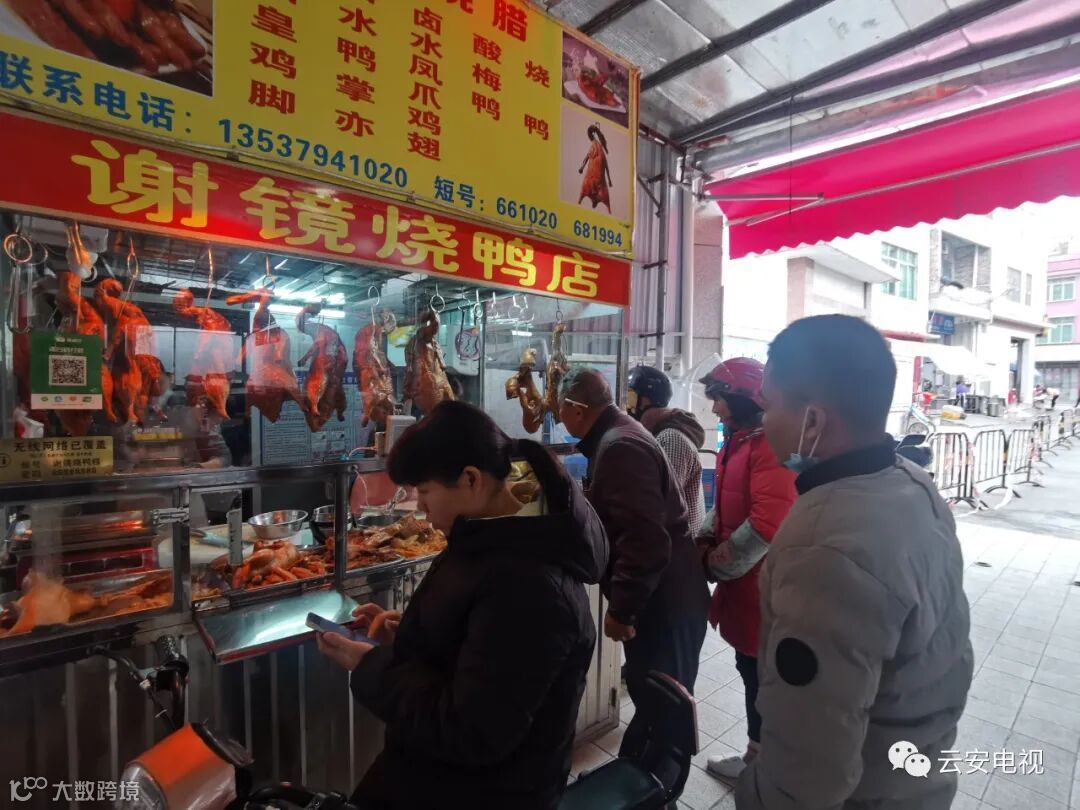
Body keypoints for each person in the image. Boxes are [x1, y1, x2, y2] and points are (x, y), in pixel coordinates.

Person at [316, 401, 608, 810]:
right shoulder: (489, 534)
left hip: (482, 793)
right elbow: (479, 640)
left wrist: (370, 666)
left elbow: (473, 731)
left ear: (471, 479)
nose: (420, 508)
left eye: (425, 492)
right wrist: (413, 632)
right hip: (431, 775)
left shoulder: (532, 587)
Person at [735, 315, 972, 810]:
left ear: (813, 422)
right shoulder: (910, 482)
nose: (763, 421)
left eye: (768, 405)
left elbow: (807, 767)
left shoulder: (825, 546)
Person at [558, 368, 709, 759]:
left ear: (577, 409)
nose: (558, 417)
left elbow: (646, 540)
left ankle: (658, 782)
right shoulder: (618, 435)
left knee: (665, 707)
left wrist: (623, 609)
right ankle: (644, 777)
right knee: (653, 702)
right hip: (664, 596)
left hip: (666, 604)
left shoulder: (619, 446)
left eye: (560, 409)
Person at [694, 359, 797, 783]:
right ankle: (761, 757)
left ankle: (765, 766)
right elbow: (726, 503)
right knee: (751, 671)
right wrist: (704, 536)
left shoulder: (770, 447)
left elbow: (766, 525)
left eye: (720, 398)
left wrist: (714, 563)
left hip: (765, 588)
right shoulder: (739, 441)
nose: (715, 408)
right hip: (747, 587)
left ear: (745, 398)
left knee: (761, 678)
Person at [627, 364, 707, 533]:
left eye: (630, 397)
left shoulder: (671, 438)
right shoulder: (659, 433)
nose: (627, 404)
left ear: (646, 400)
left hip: (676, 544)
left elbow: (663, 502)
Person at [577, 124, 612, 212]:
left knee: (585, 190)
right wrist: (609, 180)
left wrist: (582, 167)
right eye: (594, 203)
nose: (593, 204)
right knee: (586, 190)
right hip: (596, 176)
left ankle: (578, 203)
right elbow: (606, 166)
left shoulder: (596, 146)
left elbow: (588, 157)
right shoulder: (597, 147)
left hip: (594, 176)